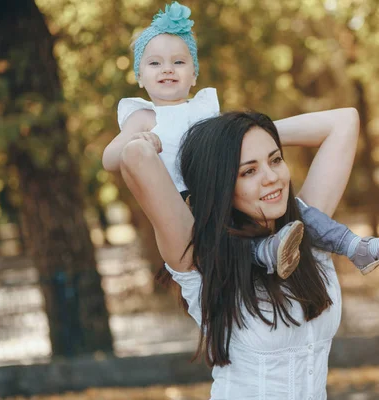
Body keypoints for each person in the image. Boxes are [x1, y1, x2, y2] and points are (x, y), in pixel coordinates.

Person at [103, 1, 379, 279]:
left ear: (194, 75)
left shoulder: (204, 109)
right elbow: (111, 158)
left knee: (300, 210)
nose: (167, 69)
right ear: (140, 77)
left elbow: (239, 144)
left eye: (179, 62)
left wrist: (257, 135)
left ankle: (353, 245)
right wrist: (141, 142)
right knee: (218, 239)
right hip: (189, 203)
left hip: (227, 189)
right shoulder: (143, 117)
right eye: (155, 63)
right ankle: (264, 253)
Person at [121, 109, 359, 399]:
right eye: (248, 171)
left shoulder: (308, 232)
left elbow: (344, 121)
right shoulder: (200, 256)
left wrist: (249, 133)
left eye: (275, 159)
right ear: (222, 184)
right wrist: (221, 145)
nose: (271, 177)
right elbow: (136, 157)